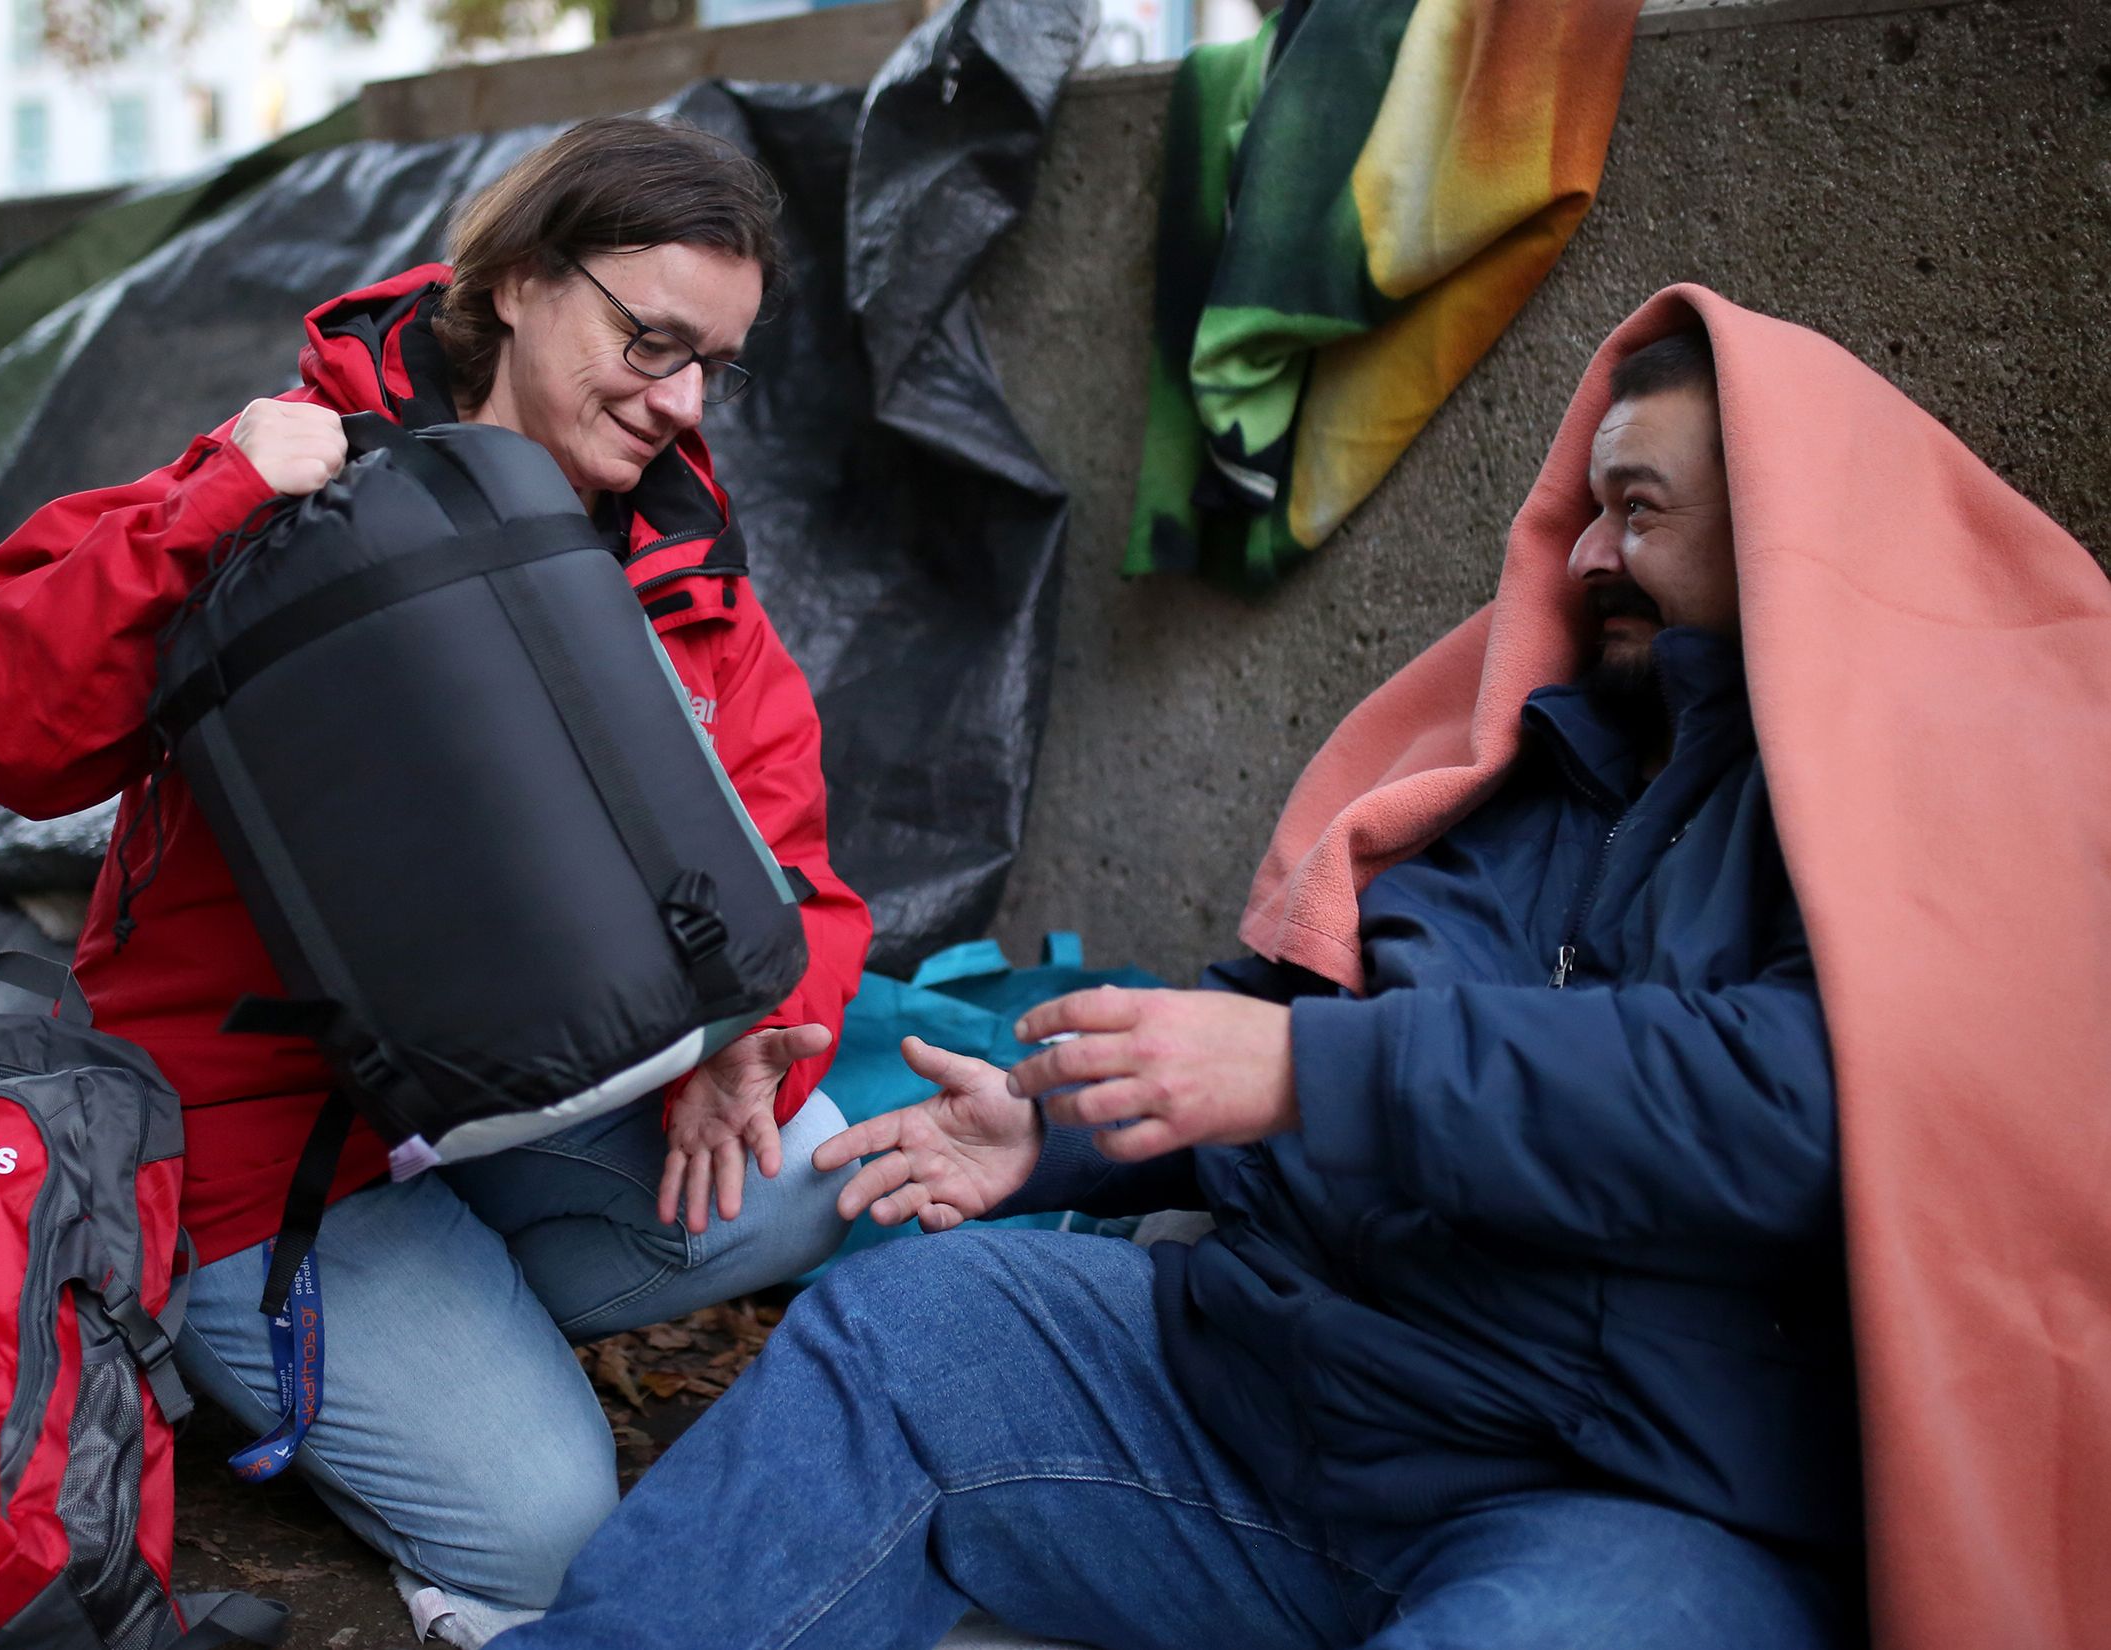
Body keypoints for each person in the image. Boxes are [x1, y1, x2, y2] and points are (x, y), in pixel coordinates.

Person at [493, 289, 2111, 1650]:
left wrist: (1306, 1074)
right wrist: (1059, 1135)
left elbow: (1799, 1102)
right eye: (1591, 507)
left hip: (1639, 1504)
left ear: (1793, 531)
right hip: (1292, 1404)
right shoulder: (1513, 775)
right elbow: (1281, 1039)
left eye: (1651, 508)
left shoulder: (1910, 825)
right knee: (910, 1332)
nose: (1598, 556)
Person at [0, 117, 871, 1641]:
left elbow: (805, 886)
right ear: (513, 280)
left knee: (808, 1162)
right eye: (650, 340)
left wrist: (765, 1038)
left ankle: (442, 1322)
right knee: (551, 1535)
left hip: (518, 1096)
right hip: (266, 1150)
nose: (683, 399)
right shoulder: (294, 483)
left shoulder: (689, 581)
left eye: (717, 361)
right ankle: (251, 1329)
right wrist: (209, 508)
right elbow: (3, 723)